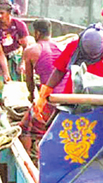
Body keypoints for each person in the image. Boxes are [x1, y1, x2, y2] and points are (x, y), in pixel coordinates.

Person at [33, 24, 103, 118]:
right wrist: (44, 93)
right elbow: (60, 70)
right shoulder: (74, 46)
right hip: (71, 100)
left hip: (101, 106)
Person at [19, 18, 69, 154]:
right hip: (68, 99)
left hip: (49, 100)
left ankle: (28, 158)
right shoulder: (63, 47)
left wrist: (31, 95)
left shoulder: (31, 51)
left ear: (37, 33)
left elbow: (29, 81)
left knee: (24, 128)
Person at [0, 0, 30, 100]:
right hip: (3, 59)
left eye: (2, 13)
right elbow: (0, 54)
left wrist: (23, 63)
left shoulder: (19, 25)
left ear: (9, 13)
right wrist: (6, 73)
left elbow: (26, 47)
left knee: (20, 86)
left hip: (18, 56)